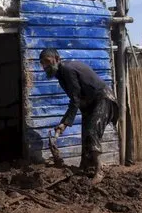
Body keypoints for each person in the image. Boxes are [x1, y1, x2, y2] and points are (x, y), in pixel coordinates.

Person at [39, 48, 118, 184]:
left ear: (57, 59)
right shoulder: (61, 74)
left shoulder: (67, 70)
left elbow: (75, 99)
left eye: (47, 62)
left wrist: (64, 123)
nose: (45, 66)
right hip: (90, 104)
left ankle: (100, 170)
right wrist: (64, 123)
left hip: (103, 98)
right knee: (86, 135)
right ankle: (86, 169)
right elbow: (77, 98)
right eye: (42, 63)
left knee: (92, 132)